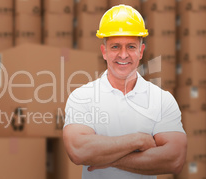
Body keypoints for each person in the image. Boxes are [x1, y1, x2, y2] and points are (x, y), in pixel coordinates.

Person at [63, 4, 187, 179]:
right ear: (104, 51)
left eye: (130, 46)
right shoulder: (82, 97)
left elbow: (175, 159)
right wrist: (139, 140)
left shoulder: (161, 100)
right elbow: (78, 150)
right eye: (115, 47)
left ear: (141, 51)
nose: (123, 55)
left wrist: (109, 160)